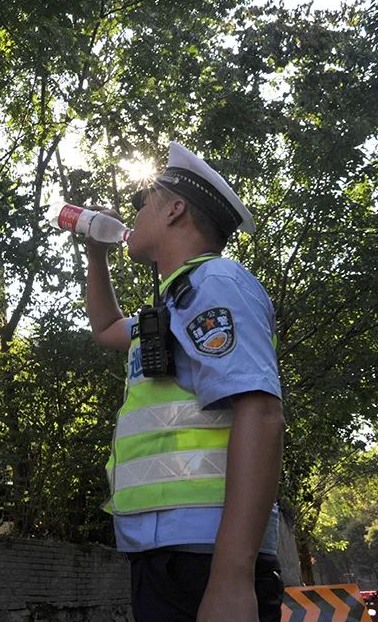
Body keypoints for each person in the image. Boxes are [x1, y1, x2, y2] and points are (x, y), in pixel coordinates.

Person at [85, 141, 286, 622]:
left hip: (207, 557)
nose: (132, 215)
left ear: (175, 209)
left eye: (142, 204)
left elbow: (262, 412)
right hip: (170, 555)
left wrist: (231, 578)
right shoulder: (174, 303)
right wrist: (96, 255)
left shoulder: (213, 283)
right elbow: (106, 329)